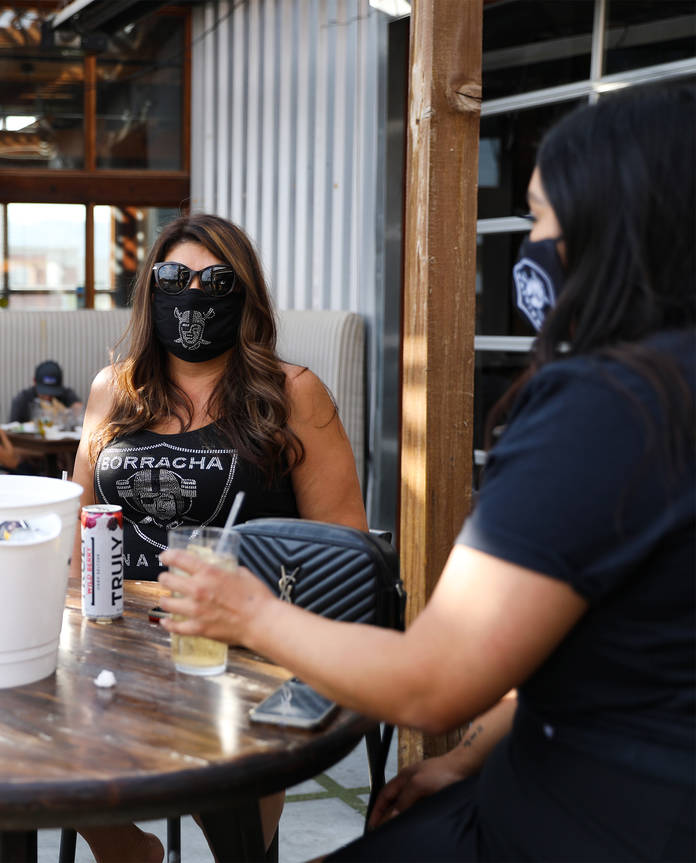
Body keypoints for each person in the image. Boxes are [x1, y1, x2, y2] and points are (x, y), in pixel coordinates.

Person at [159, 83, 696, 861]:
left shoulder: (603, 410)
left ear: (616, 228)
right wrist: (471, 758)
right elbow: (618, 647)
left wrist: (249, 612)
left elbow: (434, 680)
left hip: (582, 821)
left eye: (541, 217)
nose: (528, 245)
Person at [70, 212, 367, 862]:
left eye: (216, 278)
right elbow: (79, 528)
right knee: (37, 726)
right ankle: (134, 853)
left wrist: (275, 632)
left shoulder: (292, 393)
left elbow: (346, 547)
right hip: (117, 641)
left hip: (240, 650)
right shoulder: (112, 390)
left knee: (226, 775)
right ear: (150, 289)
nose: (194, 291)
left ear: (247, 292)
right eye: (175, 276)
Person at [8, 359, 83, 423]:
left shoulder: (65, 394)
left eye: (52, 393)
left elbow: (79, 411)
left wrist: (69, 413)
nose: (48, 397)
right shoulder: (22, 399)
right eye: (44, 393)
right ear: (35, 382)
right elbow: (13, 427)